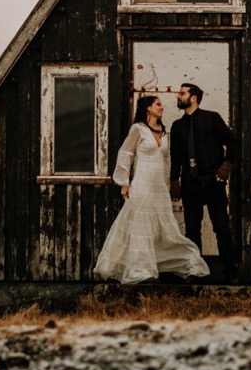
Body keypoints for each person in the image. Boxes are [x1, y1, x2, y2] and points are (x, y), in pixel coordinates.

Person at [93, 95, 210, 284]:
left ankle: (186, 264)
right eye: (158, 104)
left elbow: (166, 161)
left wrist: (168, 186)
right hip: (142, 184)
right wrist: (124, 182)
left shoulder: (163, 132)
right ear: (147, 108)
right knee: (141, 227)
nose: (162, 107)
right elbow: (125, 154)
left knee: (164, 227)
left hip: (158, 188)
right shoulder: (138, 129)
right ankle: (141, 270)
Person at [171, 83, 236, 279]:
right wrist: (175, 181)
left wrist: (226, 167)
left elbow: (233, 142)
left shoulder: (212, 118)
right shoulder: (177, 126)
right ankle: (196, 270)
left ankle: (229, 271)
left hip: (213, 182)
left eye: (182, 93)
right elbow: (175, 156)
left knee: (221, 227)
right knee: (192, 229)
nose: (178, 96)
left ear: (193, 98)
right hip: (191, 185)